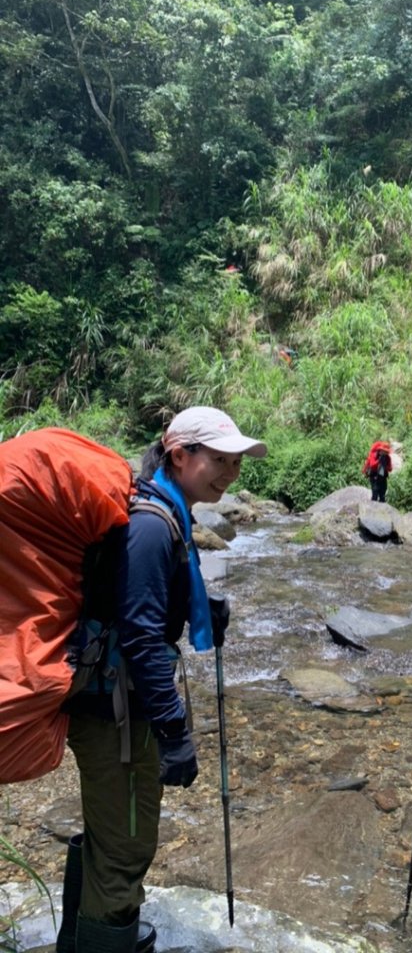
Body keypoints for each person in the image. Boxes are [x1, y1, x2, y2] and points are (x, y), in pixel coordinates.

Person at [58, 407, 266, 953]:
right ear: (180, 455)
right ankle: (102, 939)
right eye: (218, 459)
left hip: (116, 705)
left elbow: (141, 608)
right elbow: (142, 639)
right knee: (126, 848)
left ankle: (81, 938)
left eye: (236, 462)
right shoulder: (153, 524)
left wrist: (198, 606)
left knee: (113, 837)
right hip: (116, 714)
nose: (230, 472)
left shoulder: (163, 508)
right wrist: (176, 733)